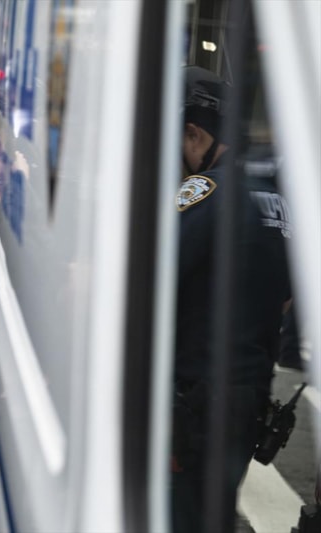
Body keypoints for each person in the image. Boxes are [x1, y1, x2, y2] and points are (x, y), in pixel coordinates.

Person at [170, 66, 292, 533]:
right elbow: (287, 299)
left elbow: (155, 279)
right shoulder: (274, 198)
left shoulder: (205, 193)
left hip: (196, 404)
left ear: (193, 134)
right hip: (249, 400)